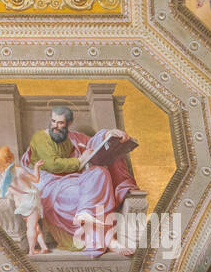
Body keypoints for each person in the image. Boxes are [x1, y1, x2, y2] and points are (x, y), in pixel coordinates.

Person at [21, 106, 137, 257]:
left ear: (69, 124)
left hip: (76, 179)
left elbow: (93, 144)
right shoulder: (41, 137)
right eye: (53, 121)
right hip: (50, 183)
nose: (55, 126)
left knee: (101, 172)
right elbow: (52, 164)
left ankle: (85, 212)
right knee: (80, 193)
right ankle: (109, 240)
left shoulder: (75, 137)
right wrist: (80, 160)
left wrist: (109, 134)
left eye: (60, 123)